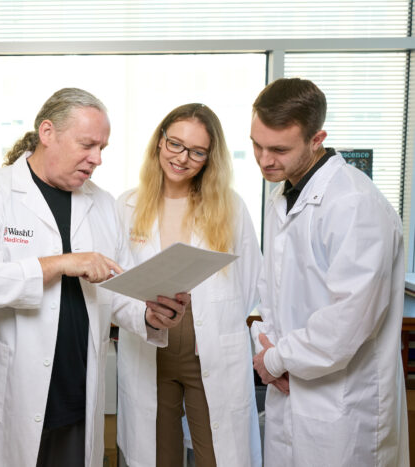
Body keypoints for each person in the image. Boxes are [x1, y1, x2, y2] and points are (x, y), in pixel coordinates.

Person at [0, 88, 189, 467]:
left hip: (75, 396)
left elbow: (116, 289)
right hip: (6, 396)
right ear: (48, 132)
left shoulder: (103, 204)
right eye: (87, 145)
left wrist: (150, 315)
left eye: (102, 148)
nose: (96, 159)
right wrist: (60, 264)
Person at [250, 78, 409, 466]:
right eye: (256, 144)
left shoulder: (355, 204)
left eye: (279, 149)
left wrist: (274, 361)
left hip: (343, 404)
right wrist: (265, 345)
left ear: (317, 138)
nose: (264, 160)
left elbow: (349, 319)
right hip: (290, 388)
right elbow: (270, 291)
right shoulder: (283, 195)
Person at [116, 104, 263, 467]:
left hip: (209, 348)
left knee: (218, 455)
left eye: (197, 151)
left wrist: (214, 322)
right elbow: (114, 282)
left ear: (210, 158)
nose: (182, 158)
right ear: (159, 142)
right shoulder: (126, 205)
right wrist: (144, 315)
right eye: (176, 144)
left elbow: (249, 282)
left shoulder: (229, 206)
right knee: (157, 455)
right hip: (150, 345)